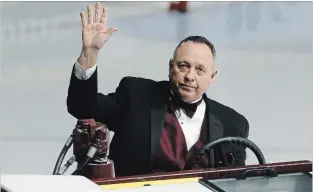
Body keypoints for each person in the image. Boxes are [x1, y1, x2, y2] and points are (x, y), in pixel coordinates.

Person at [67, 2, 249, 177]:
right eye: (183, 66)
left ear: (212, 76)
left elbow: (236, 184)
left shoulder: (233, 125)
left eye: (200, 69)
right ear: (171, 67)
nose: (190, 76)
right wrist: (89, 53)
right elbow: (82, 106)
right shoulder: (136, 96)